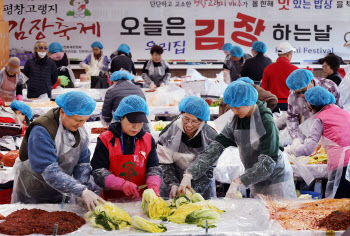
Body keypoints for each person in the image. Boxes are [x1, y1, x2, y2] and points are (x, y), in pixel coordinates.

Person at [178, 81, 296, 199]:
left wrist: (238, 181)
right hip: (255, 178)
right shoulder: (235, 120)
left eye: (237, 108)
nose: (234, 111)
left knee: (279, 214)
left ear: (249, 102)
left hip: (277, 181)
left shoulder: (265, 121)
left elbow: (268, 162)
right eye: (232, 108)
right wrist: (189, 174)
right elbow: (215, 148)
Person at [12, 91, 105, 211]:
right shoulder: (42, 130)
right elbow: (49, 171)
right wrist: (81, 191)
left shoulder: (81, 129)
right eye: (78, 120)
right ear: (62, 112)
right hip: (33, 189)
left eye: (84, 120)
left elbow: (82, 163)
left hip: (63, 187)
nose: (81, 125)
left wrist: (82, 186)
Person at [91, 95, 162, 200]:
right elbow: (98, 171)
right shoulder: (105, 139)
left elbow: (154, 167)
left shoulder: (147, 139)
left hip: (141, 200)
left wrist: (154, 185)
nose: (136, 127)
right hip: (112, 200)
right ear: (121, 117)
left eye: (140, 123)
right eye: (132, 122)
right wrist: (121, 184)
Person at [285, 86, 350, 199]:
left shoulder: (320, 118)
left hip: (341, 166)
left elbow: (307, 149)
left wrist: (291, 150)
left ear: (310, 104)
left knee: (337, 207)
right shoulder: (344, 113)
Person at [157, 96, 218, 199]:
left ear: (203, 120)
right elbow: (165, 165)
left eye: (195, 121)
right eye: (186, 119)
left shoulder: (211, 137)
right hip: (172, 188)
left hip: (201, 190)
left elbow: (208, 169)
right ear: (181, 114)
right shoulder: (167, 134)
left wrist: (192, 191)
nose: (189, 125)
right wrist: (173, 184)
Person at [286, 69, 342, 144]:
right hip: (308, 134)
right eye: (298, 93)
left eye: (304, 91)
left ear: (311, 81)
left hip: (329, 134)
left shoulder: (329, 87)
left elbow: (339, 114)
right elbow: (292, 118)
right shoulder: (293, 94)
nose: (302, 95)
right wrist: (296, 139)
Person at [260, 42, 298, 112]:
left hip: (272, 104)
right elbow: (298, 89)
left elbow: (263, 89)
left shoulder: (268, 69)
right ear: (288, 54)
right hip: (290, 104)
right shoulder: (295, 69)